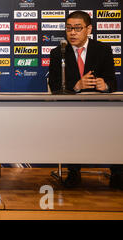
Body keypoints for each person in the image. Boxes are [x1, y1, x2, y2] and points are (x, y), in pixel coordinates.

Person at [49, 10, 122, 189]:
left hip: (100, 108)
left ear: (88, 29)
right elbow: (55, 85)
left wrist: (104, 85)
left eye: (77, 28)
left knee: (117, 128)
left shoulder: (103, 50)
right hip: (72, 110)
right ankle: (73, 172)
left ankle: (118, 174)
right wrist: (76, 86)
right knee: (71, 129)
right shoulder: (59, 53)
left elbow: (113, 82)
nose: (72, 33)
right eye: (68, 28)